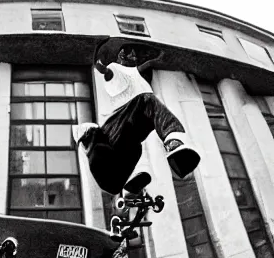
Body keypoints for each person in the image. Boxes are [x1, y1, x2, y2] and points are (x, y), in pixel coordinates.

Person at [72, 44, 201, 196]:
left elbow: (139, 68)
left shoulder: (133, 72)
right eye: (131, 56)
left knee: (135, 146)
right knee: (147, 101)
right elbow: (106, 71)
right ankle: (173, 141)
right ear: (121, 57)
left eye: (135, 56)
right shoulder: (115, 69)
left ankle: (129, 187)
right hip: (116, 128)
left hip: (117, 165)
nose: (134, 58)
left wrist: (153, 59)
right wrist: (100, 63)